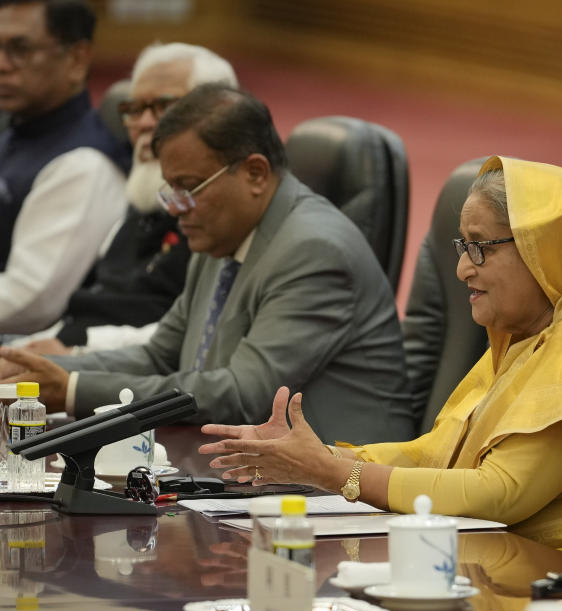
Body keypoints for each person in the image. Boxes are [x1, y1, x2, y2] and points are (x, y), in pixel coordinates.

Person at [199, 156, 562, 559]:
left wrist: (333, 472)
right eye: (462, 248)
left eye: (481, 247)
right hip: (503, 564)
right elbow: (441, 453)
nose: (463, 270)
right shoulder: (529, 332)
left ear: (544, 244)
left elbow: (498, 492)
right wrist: (323, 454)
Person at [0, 84, 415, 444]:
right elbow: (161, 356)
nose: (177, 209)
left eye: (188, 188)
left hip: (343, 490)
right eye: (171, 189)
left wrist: (72, 388)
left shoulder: (315, 250)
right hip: (249, 468)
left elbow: (244, 394)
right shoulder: (220, 235)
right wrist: (35, 372)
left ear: (255, 173)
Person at [15, 42, 237, 355]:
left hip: (123, 375)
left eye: (165, 107)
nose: (145, 123)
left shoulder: (223, 212)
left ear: (219, 116)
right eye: (135, 109)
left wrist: (77, 355)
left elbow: (196, 335)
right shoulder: (143, 194)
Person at [0, 0, 128, 334]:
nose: (2, 64)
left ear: (76, 59)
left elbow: (28, 303)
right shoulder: (17, 130)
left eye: (19, 50)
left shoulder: (83, 164)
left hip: (27, 372)